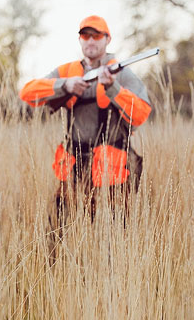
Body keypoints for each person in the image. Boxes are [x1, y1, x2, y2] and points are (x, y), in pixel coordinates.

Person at [20, 15, 152, 225]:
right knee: (56, 228)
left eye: (97, 35)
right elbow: (27, 93)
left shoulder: (122, 73)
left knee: (114, 233)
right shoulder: (67, 71)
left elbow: (141, 113)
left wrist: (112, 88)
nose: (90, 40)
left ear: (107, 39)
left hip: (113, 170)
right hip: (74, 166)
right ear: (80, 40)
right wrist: (64, 85)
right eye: (85, 35)